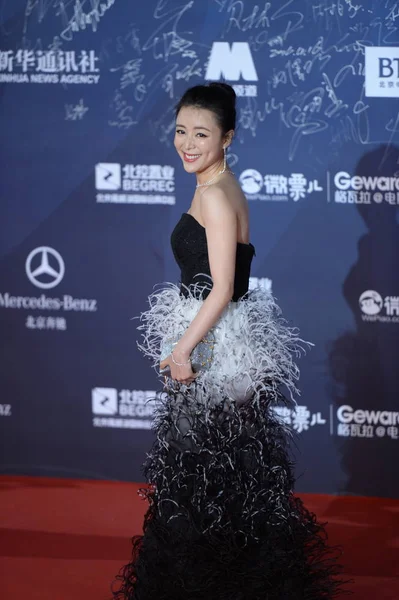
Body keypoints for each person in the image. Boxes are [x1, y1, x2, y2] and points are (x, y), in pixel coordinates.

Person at [113, 82, 346, 599]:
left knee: (200, 483)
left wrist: (181, 349)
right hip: (224, 347)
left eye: (201, 134)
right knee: (224, 479)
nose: (187, 144)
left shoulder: (216, 195)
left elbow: (219, 291)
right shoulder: (215, 182)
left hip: (216, 352)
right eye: (180, 131)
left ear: (227, 137)